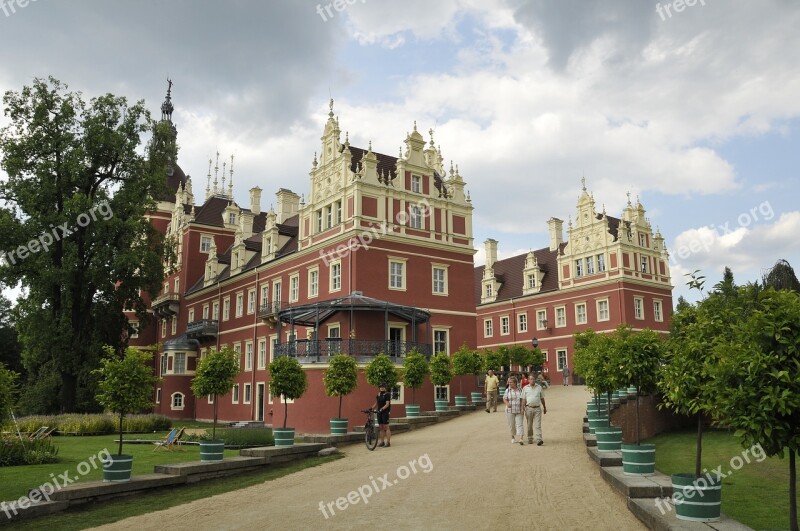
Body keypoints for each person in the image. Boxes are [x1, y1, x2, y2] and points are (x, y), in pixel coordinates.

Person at [522, 376, 547, 445]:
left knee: (538, 425)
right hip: (528, 408)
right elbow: (523, 399)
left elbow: (542, 398)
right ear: (528, 380)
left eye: (533, 379)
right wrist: (522, 408)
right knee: (529, 425)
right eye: (531, 379)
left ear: (535, 380)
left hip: (537, 408)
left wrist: (544, 407)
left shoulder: (539, 387)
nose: (532, 380)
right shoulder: (525, 388)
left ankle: (539, 439)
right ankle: (530, 438)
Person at [503, 377, 525, 445]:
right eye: (509, 382)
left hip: (519, 410)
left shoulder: (520, 390)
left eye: (511, 382)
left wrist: (522, 408)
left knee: (520, 424)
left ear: (515, 383)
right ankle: (512, 437)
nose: (509, 383)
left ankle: (521, 438)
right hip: (510, 410)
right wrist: (507, 403)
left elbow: (522, 400)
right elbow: (504, 398)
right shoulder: (507, 390)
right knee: (511, 425)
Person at [372, 383, 392, 447]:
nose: (382, 388)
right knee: (381, 427)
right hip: (379, 412)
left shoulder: (387, 394)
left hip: (385, 412)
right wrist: (371, 408)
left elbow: (387, 404)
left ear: (385, 387)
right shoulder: (378, 394)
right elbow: (376, 403)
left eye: (383, 387)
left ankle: (388, 442)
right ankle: (382, 442)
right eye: (380, 387)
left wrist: (381, 409)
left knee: (386, 427)